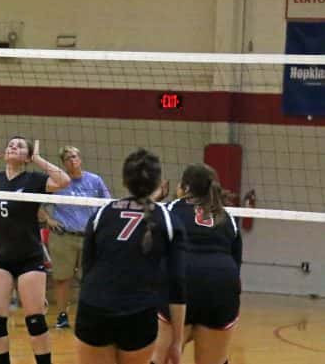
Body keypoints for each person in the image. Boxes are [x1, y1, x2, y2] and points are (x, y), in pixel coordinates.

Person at [0, 137, 71, 364]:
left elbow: (64, 180)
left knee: (35, 319)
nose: (13, 147)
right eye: (11, 144)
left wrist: (39, 160)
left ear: (27, 157)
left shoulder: (34, 179)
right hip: (0, 257)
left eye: (20, 146)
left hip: (29, 257)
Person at [74, 148, 186, 364]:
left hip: (95, 308)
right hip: (138, 313)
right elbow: (177, 287)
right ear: (158, 182)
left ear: (125, 180)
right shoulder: (169, 220)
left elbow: (86, 269)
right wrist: (176, 341)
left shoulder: (102, 213)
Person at [151, 164, 242, 364]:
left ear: (184, 187)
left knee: (162, 358)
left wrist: (154, 198)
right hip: (221, 285)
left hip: (182, 281)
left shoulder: (169, 210)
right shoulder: (227, 217)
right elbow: (236, 262)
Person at [37, 145, 110, 329]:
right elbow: (36, 205)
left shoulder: (95, 180)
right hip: (63, 237)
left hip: (89, 237)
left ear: (80, 158)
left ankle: (89, 315)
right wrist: (49, 219)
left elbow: (108, 204)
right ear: (63, 163)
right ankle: (62, 316)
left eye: (75, 156)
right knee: (62, 278)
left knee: (91, 278)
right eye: (68, 158)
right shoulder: (59, 182)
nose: (73, 160)